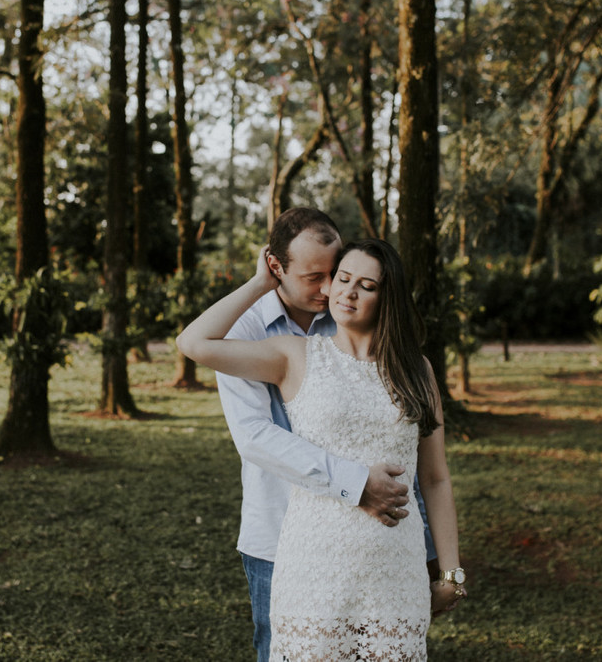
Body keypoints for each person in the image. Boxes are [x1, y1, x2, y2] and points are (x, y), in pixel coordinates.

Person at [179, 236, 465, 660]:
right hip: (314, 565)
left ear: (388, 298)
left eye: (367, 286)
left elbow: (435, 478)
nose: (349, 292)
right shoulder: (294, 355)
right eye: (343, 279)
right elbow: (193, 343)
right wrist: (261, 283)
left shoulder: (416, 369)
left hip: (395, 568)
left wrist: (451, 572)